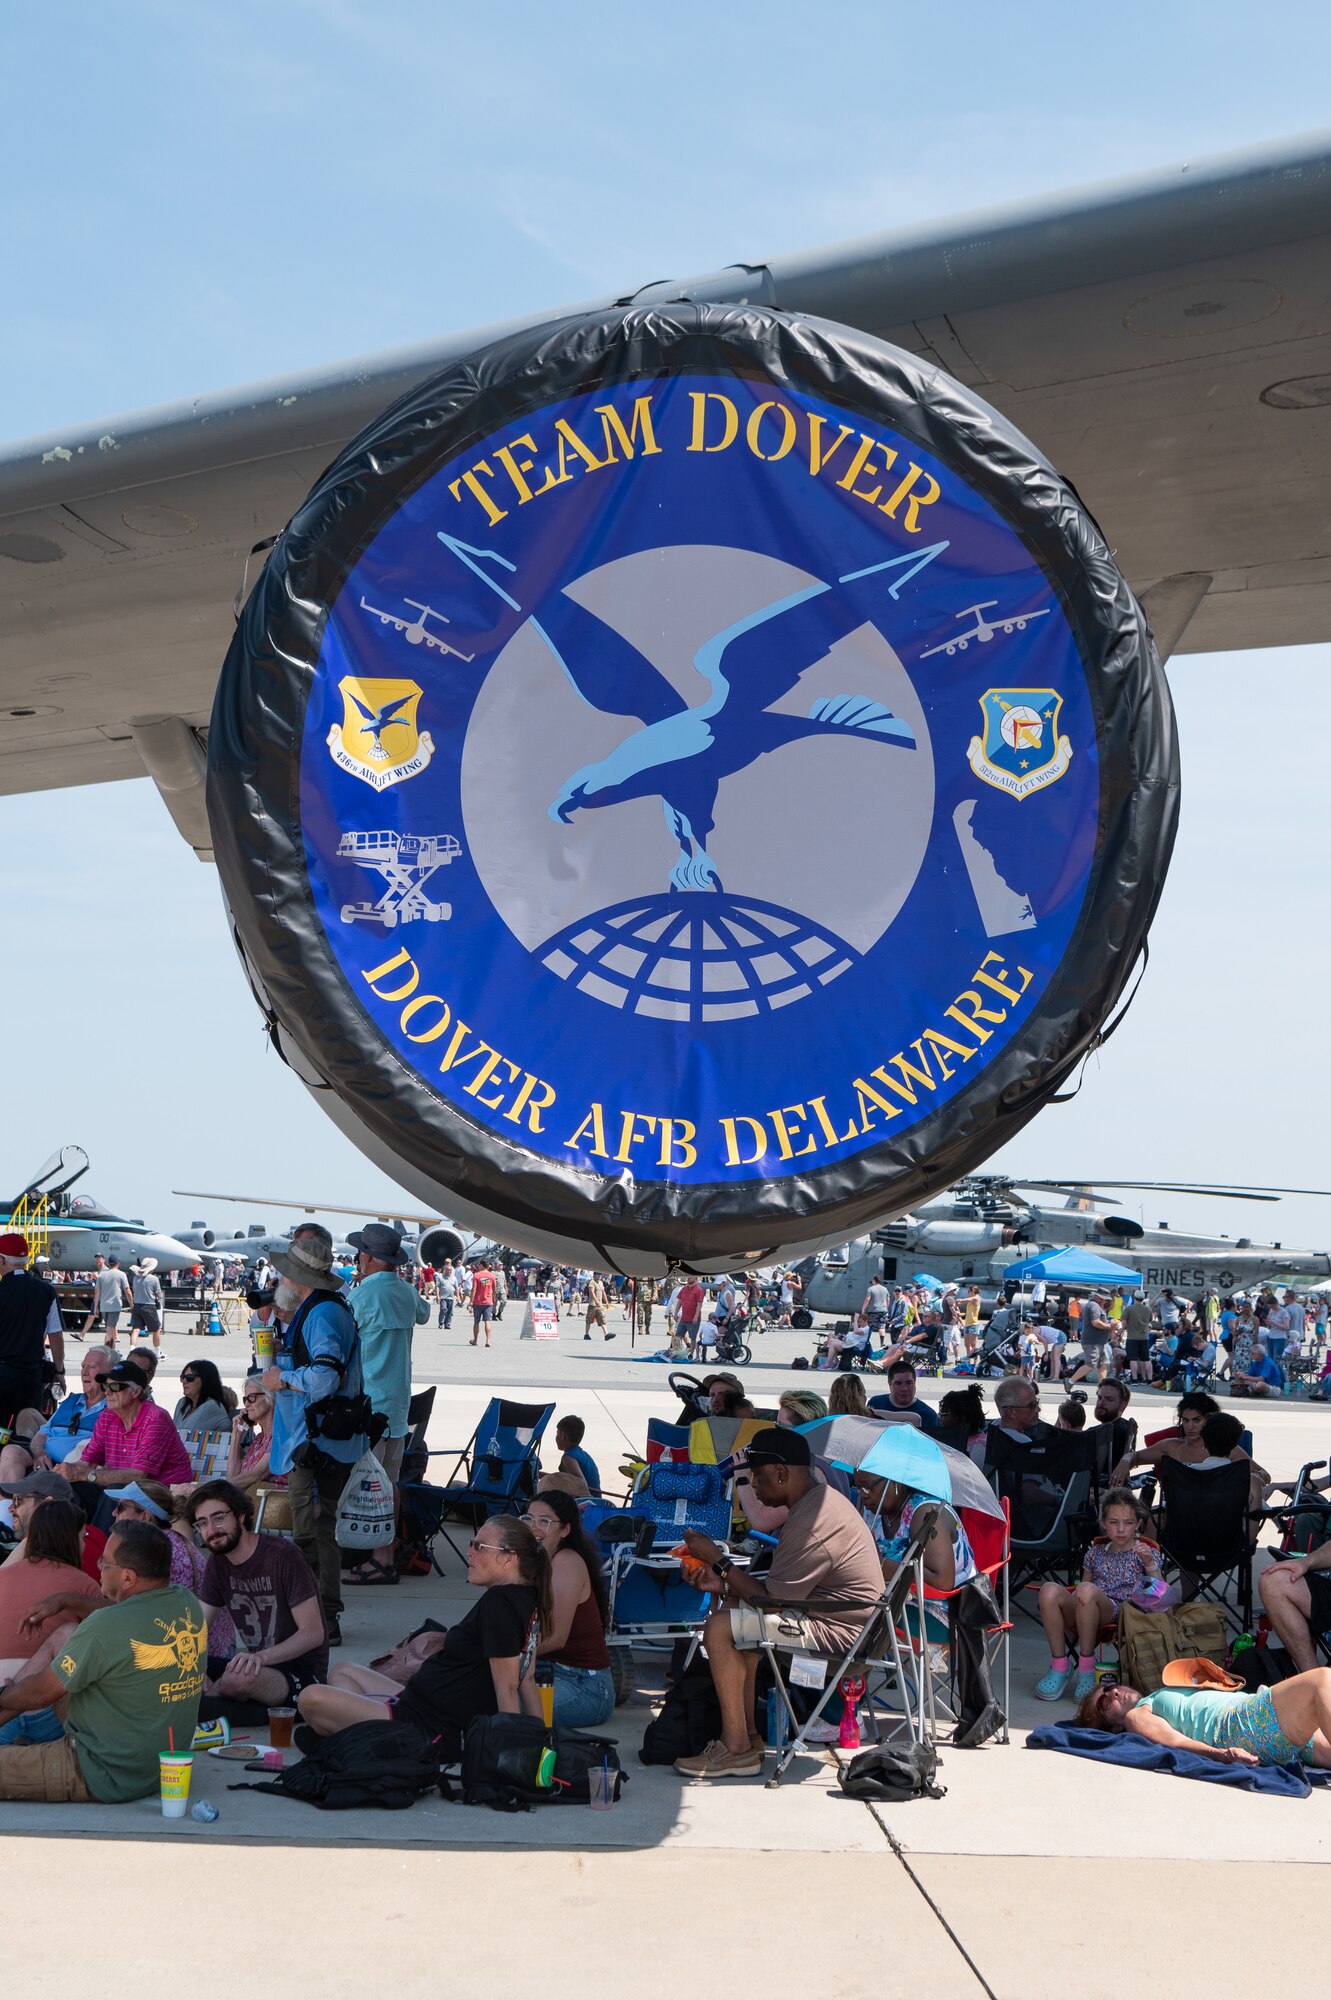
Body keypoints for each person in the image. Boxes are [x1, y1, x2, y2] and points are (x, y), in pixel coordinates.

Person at [674, 1426, 884, 1780]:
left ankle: (737, 1747)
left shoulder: (813, 1519)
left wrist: (717, 1560)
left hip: (842, 1640)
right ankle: (747, 1739)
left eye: (757, 1477)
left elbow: (770, 1601)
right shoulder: (819, 1501)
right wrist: (722, 1584)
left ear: (782, 1473)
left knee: (719, 1626)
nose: (752, 1487)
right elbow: (771, 1595)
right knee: (735, 1615)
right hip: (846, 1627)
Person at [297, 1516, 550, 1756]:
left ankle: (363, 1736)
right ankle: (357, 1731)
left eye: (480, 1546)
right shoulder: (524, 1598)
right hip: (419, 1702)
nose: (469, 1552)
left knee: (311, 1698)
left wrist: (515, 1756)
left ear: (509, 1559)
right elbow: (527, 1680)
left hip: (429, 1726)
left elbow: (508, 1688)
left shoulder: (501, 1605)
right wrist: (543, 1742)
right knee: (342, 1671)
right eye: (471, 1544)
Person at [0, 1521, 204, 1802]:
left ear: (128, 1578)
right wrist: (66, 1600)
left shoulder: (104, 1627)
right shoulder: (185, 1603)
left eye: (105, 1563)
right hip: (158, 1767)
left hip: (95, 1770)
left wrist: (4, 1693)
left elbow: (39, 1694)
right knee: (66, 1635)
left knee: (38, 1684)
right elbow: (129, 1610)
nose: (97, 1566)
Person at [263, 1231, 367, 1645]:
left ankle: (322, 1620)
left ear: (296, 1279)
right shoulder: (318, 1310)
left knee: (313, 1532)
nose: (278, 1283)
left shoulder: (322, 1315)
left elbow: (325, 1378)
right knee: (313, 1529)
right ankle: (318, 1617)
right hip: (318, 1439)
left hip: (319, 1443)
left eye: (283, 1276)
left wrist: (282, 1378)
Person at [187, 1480, 328, 1717]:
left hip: (300, 1671)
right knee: (169, 1667)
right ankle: (221, 1706)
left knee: (236, 1680)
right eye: (202, 1523)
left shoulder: (283, 1555)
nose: (211, 1530)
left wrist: (259, 1658)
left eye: (218, 1518)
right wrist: (193, 1669)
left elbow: (313, 1633)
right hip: (255, 1665)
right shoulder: (218, 1564)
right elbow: (197, 1629)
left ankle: (209, 1704)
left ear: (241, 1515)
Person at [346, 1222, 429, 1586]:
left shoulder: (361, 1296)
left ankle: (374, 1556)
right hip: (397, 1404)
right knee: (389, 1482)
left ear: (367, 1257)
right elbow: (425, 1313)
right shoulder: (407, 1293)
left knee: (365, 1482)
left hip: (367, 1404)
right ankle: (386, 1553)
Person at [1036, 1486, 1171, 1700]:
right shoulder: (1094, 1553)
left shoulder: (1144, 1552)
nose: (1120, 1529)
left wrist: (1150, 1564)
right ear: (1103, 1524)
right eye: (1114, 1522)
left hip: (1120, 1611)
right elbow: (1081, 1594)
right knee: (1048, 1590)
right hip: (1087, 1607)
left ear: (1138, 1524)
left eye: (1128, 1523)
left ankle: (1087, 1668)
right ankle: (1060, 1665)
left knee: (1087, 1590)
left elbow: (1164, 1597)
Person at [1078, 1666, 1331, 1768]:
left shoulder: (1157, 1694)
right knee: (1322, 1680)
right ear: (1112, 1727)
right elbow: (1174, 1743)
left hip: (1259, 1724)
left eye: (1112, 1686)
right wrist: (1223, 1754)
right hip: (1241, 1725)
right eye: (1104, 1700)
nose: (1114, 1693)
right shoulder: (1136, 1716)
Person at [521, 1490, 614, 1728]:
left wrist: (503, 1655)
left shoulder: (566, 1562)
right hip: (544, 1669)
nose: (533, 1527)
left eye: (544, 1521)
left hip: (584, 1686)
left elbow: (555, 1638)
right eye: (529, 1519)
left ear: (565, 1530)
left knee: (502, 1705)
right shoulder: (536, 1559)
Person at [0, 1499, 100, 1667]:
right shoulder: (85, 1584)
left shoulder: (3, 1575)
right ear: (71, 1539)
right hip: (44, 1684)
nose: (84, 1544)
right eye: (83, 1536)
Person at [64, 1359, 192, 1491]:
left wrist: (85, 1475)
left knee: (116, 1490)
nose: (107, 1392)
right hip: (126, 1490)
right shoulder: (107, 1416)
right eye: (105, 1386)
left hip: (162, 1494)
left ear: (136, 1392)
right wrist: (65, 1471)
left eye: (115, 1387)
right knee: (69, 1488)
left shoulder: (155, 1419)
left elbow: (138, 1475)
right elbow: (87, 1462)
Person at [0, 1345, 110, 1480]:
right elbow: (42, 1434)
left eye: (92, 1367)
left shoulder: (113, 1409)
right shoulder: (71, 1400)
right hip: (45, 1460)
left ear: (109, 1374)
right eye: (82, 1366)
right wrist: (39, 1453)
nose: (84, 1372)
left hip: (73, 1469)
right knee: (11, 1452)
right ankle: (7, 1501)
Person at [0, 1234, 65, 1427]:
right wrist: (59, 1370)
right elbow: (55, 1335)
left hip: (2, 1371)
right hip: (31, 1373)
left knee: (2, 1427)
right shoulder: (46, 1291)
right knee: (27, 1425)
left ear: (2, 1260)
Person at [226, 1377, 285, 1496]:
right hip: (252, 1503)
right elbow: (233, 1477)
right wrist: (236, 1435)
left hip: (272, 1506)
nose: (247, 1404)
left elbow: (257, 1474)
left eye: (252, 1398)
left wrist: (217, 1488)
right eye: (245, 1399)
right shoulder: (259, 1439)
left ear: (270, 1397)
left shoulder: (282, 1436)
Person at [867, 1358, 939, 1432]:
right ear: (890, 1383)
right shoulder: (875, 1404)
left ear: (915, 1383)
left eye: (909, 1383)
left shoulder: (929, 1415)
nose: (904, 1388)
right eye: (898, 1383)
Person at [173, 1359, 233, 1435]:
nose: (184, 1381)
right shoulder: (182, 1403)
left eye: (190, 1377)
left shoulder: (212, 1407)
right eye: (182, 1377)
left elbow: (184, 1435)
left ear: (206, 1380)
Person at [82, 1253, 130, 1346]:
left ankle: (111, 1349)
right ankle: (108, 1350)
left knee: (110, 1328)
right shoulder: (121, 1274)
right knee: (110, 1329)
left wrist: (96, 1307)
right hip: (114, 1305)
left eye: (100, 1258)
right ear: (118, 1263)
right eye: (97, 1258)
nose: (98, 1260)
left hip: (104, 1305)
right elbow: (127, 1290)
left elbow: (97, 1292)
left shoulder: (102, 1274)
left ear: (106, 1261)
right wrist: (131, 1304)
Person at [938, 1384, 987, 1463]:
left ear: (959, 1417)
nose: (941, 1418)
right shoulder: (955, 1438)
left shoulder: (978, 1446)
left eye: (944, 1414)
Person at [554, 1415, 601, 1498]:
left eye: (557, 1433)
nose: (556, 1437)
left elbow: (580, 1484)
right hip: (596, 1502)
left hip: (585, 1504)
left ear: (563, 1436)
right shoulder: (583, 1455)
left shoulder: (568, 1458)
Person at [128, 1258, 165, 1354]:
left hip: (137, 1305)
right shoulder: (154, 1279)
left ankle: (132, 1350)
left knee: (136, 1329)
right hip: (149, 1306)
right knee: (156, 1330)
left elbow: (134, 1291)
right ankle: (157, 1352)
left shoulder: (136, 1278)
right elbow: (158, 1294)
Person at [675, 1274, 705, 1358]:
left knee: (692, 1337)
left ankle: (691, 1354)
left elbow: (699, 1305)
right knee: (678, 1335)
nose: (688, 1279)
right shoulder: (684, 1289)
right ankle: (678, 1352)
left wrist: (696, 1317)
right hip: (684, 1317)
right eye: (688, 1278)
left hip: (693, 1319)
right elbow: (679, 1302)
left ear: (696, 1279)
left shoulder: (699, 1290)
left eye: (690, 1278)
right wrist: (676, 1313)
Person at [469, 1260, 497, 1349]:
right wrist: (493, 1299)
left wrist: (471, 1301)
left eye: (479, 1265)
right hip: (488, 1302)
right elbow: (494, 1289)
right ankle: (488, 1340)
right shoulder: (492, 1276)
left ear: (481, 1265)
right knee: (487, 1321)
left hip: (478, 1302)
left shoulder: (476, 1275)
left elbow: (474, 1289)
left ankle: (475, 1340)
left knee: (476, 1322)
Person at [583, 1271, 612, 1342]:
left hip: (600, 1305)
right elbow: (592, 1292)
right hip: (592, 1305)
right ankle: (586, 1334)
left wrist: (606, 1301)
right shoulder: (592, 1282)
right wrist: (596, 1301)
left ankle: (606, 1334)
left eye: (600, 1275)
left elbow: (603, 1292)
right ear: (595, 1275)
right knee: (589, 1320)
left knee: (602, 1318)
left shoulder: (601, 1282)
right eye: (598, 1275)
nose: (600, 1276)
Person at [436, 1258, 457, 1330]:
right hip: (443, 1297)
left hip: (451, 1297)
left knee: (450, 1312)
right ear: (445, 1270)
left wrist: (458, 1296)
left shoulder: (454, 1278)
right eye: (448, 1270)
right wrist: (438, 1296)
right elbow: (437, 1286)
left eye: (450, 1270)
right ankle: (441, 1323)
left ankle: (447, 1324)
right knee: (443, 1309)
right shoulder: (440, 1277)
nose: (449, 1271)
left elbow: (456, 1287)